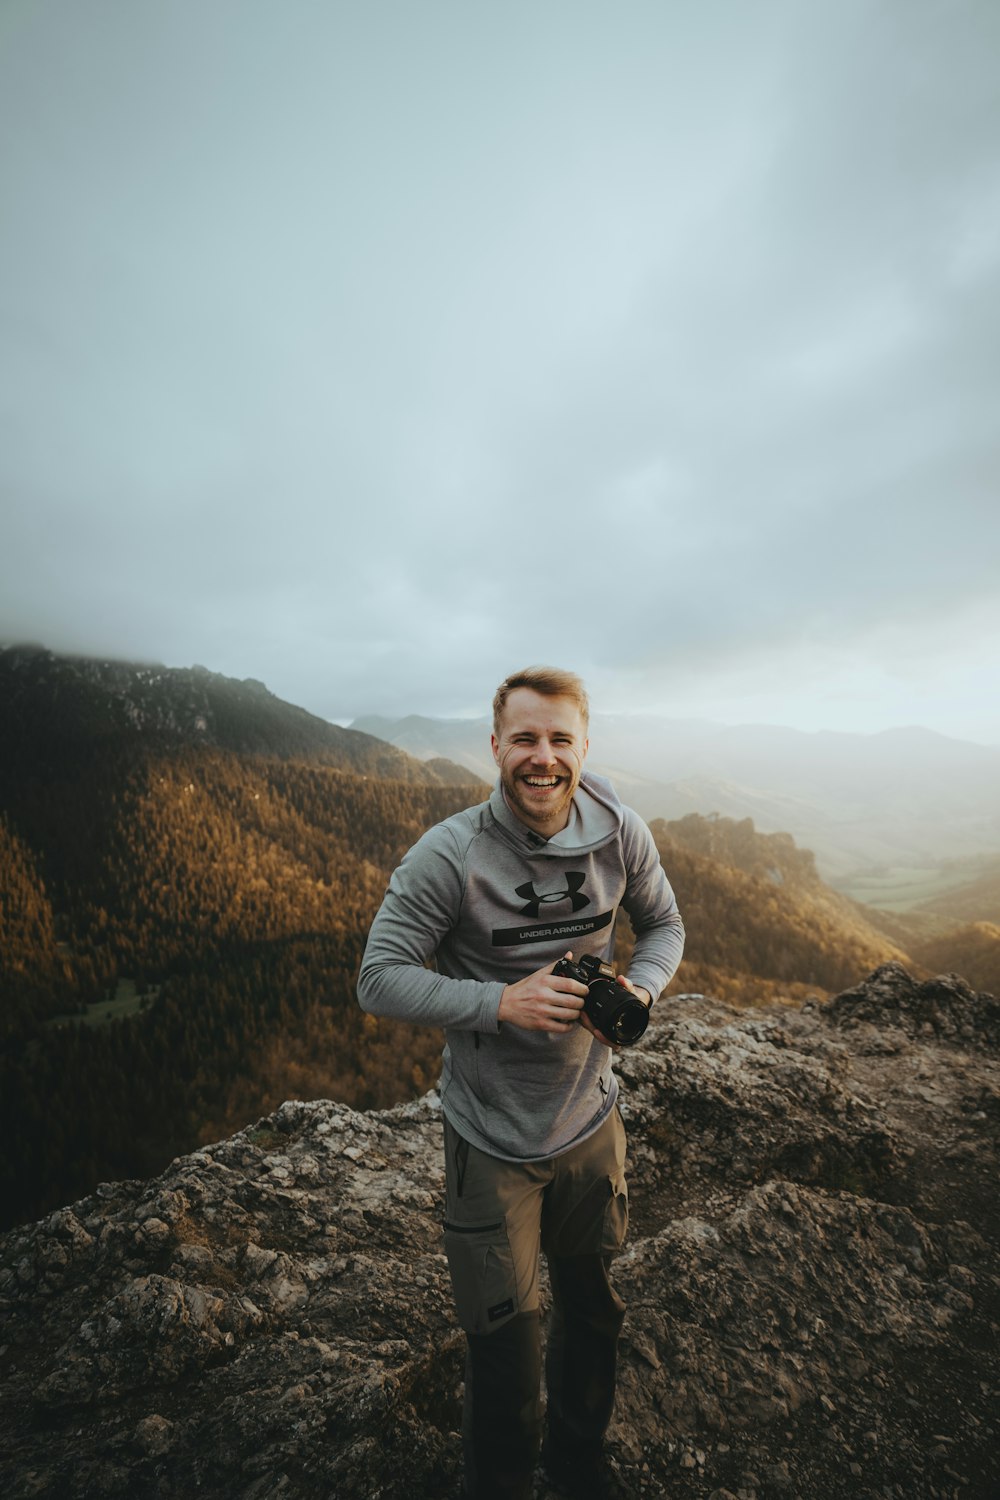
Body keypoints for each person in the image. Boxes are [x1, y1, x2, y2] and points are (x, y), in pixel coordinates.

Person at [358, 666, 684, 1500]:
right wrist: (499, 1003)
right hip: (493, 1138)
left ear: (584, 747)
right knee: (505, 1350)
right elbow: (379, 977)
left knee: (593, 1312)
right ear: (496, 747)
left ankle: (578, 1471)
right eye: (526, 739)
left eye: (560, 740)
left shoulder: (619, 831)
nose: (544, 759)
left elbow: (664, 926)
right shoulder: (453, 853)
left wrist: (639, 989)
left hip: (590, 1122)